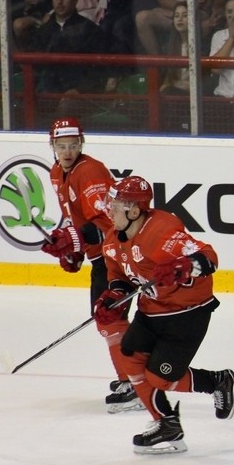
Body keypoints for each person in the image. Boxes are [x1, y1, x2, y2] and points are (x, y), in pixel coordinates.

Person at [94, 175, 234, 454]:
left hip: (187, 313)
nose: (108, 210)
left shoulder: (161, 231)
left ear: (134, 210)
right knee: (130, 357)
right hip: (151, 311)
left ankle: (220, 381)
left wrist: (182, 267)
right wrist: (113, 296)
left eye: (114, 206)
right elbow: (119, 277)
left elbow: (208, 257)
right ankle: (166, 425)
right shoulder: (113, 240)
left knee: (161, 378)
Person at [37, 118, 141, 413]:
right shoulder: (57, 172)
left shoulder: (90, 171)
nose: (67, 151)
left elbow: (108, 222)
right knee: (107, 317)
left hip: (117, 256)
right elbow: (78, 221)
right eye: (61, 146)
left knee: (110, 317)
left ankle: (135, 382)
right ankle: (131, 377)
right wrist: (73, 251)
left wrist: (72, 238)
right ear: (53, 146)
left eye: (73, 145)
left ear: (81, 144)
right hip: (102, 257)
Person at [31, 0, 106, 95]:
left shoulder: (89, 29)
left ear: (75, 1)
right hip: (48, 91)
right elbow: (35, 67)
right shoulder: (43, 31)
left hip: (79, 91)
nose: (59, 2)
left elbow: (98, 69)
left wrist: (80, 89)